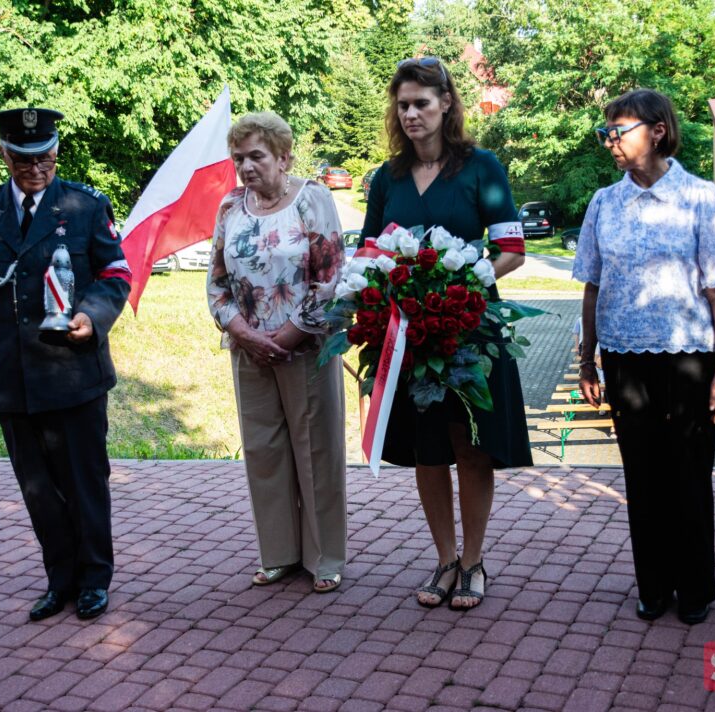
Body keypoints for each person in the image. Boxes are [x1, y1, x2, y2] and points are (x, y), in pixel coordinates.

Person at [361, 58, 531, 610]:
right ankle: (444, 559)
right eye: (403, 105)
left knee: (471, 445)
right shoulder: (385, 178)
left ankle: (475, 561)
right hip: (408, 332)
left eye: (421, 104)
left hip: (470, 326)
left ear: (447, 104)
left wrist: (461, 278)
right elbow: (369, 252)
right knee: (427, 448)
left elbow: (510, 250)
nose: (411, 114)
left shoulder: (482, 167)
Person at [0, 108, 132, 622]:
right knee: (37, 488)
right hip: (14, 375)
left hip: (73, 370)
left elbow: (116, 272)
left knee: (85, 482)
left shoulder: (84, 204)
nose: (37, 170)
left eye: (46, 159)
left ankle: (95, 579)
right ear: (5, 154)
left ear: (57, 153)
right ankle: (60, 580)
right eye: (25, 160)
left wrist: (93, 317)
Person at [574, 89, 715, 625]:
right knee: (642, 476)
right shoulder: (604, 202)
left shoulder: (700, 198)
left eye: (618, 130)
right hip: (625, 362)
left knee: (688, 473)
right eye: (606, 133)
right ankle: (654, 584)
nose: (610, 142)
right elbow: (592, 287)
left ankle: (695, 587)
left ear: (659, 131)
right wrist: (586, 360)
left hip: (689, 360)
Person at [207, 112, 348, 593]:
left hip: (304, 347)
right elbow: (217, 286)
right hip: (249, 349)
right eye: (239, 158)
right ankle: (279, 554)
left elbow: (330, 279)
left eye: (256, 156)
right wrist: (245, 333)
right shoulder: (230, 206)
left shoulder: (312, 198)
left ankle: (324, 557)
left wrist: (286, 335)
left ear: (284, 156)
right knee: (264, 451)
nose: (246, 167)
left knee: (316, 449)